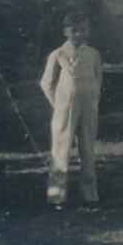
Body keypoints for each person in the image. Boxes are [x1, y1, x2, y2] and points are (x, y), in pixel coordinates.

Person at [39, 11, 103, 210]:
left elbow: (97, 79)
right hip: (65, 106)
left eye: (82, 30)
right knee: (61, 148)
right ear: (66, 31)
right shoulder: (58, 54)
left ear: (88, 31)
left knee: (87, 147)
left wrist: (93, 98)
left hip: (88, 105)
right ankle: (57, 196)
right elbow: (46, 83)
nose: (78, 34)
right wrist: (57, 104)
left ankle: (90, 195)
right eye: (74, 30)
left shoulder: (93, 54)